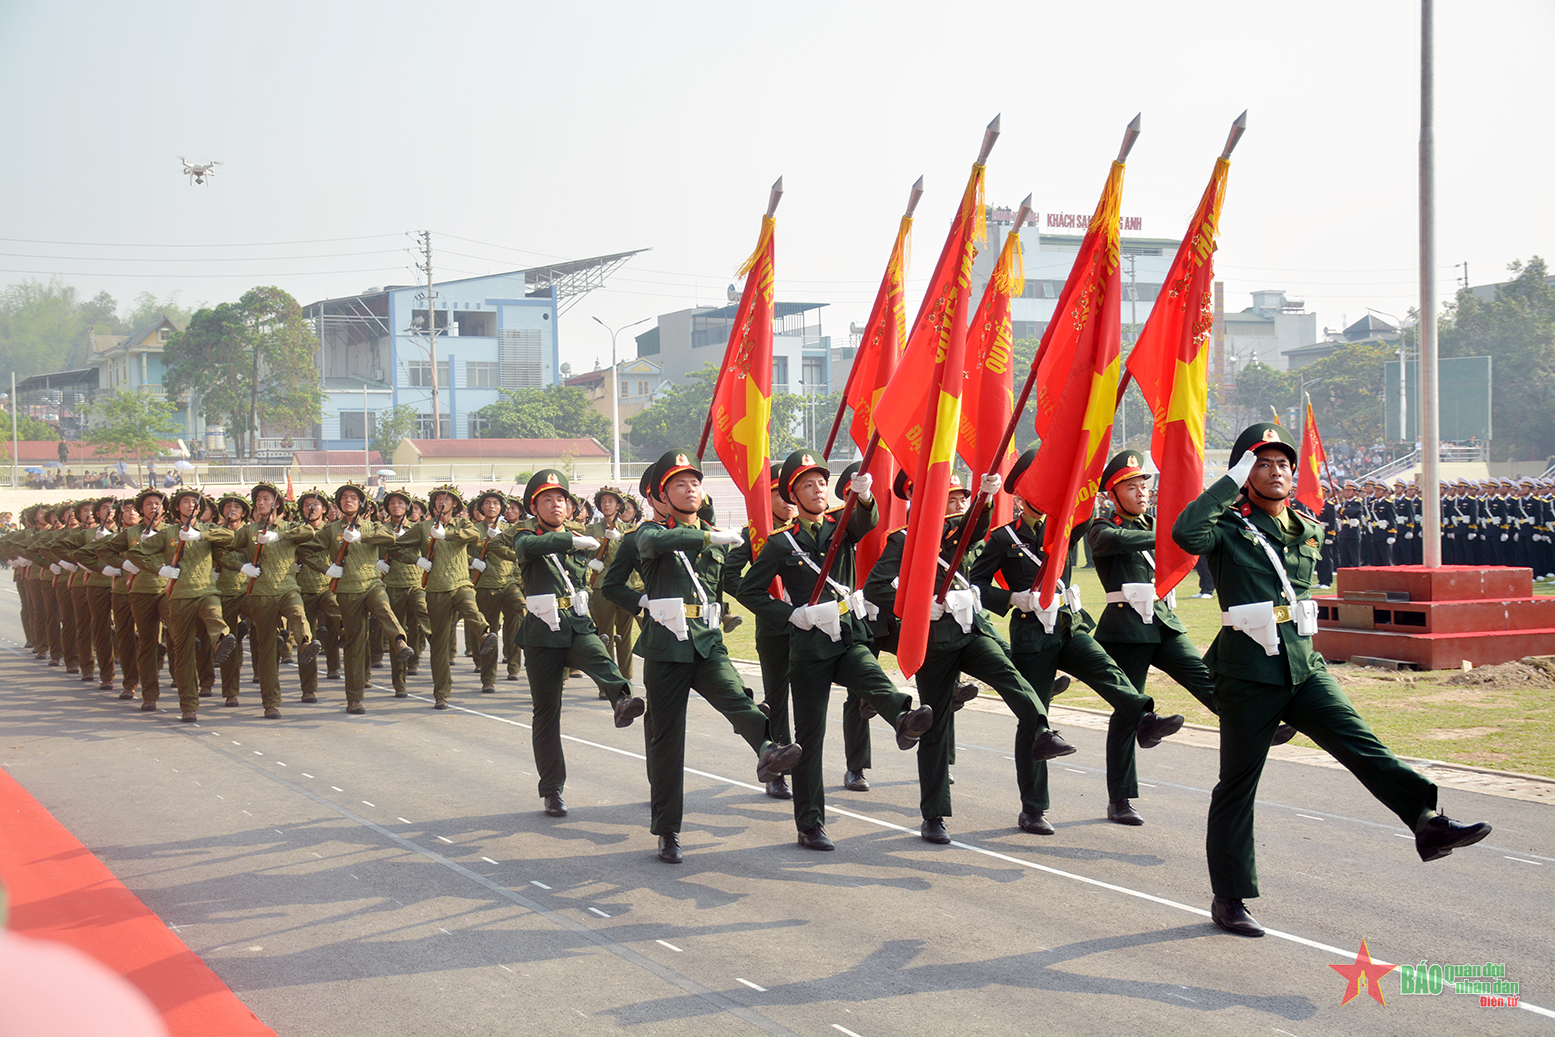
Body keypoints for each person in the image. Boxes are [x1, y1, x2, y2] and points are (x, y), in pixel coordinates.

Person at [1173, 422, 1491, 938]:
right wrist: (1227, 483)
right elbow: (1184, 534)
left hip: (1303, 665)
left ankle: (1427, 823)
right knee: (1237, 787)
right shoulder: (1227, 527)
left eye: (1283, 464)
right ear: (1242, 472)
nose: (1276, 471)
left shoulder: (1307, 528)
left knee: (1361, 744)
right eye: (1262, 462)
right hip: (1247, 673)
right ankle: (1229, 898)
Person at [971, 448, 1186, 835]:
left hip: (1070, 626)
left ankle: (1145, 718)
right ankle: (1033, 808)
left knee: (1107, 669)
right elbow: (977, 584)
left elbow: (1085, 503)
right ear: (1019, 493)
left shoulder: (1064, 528)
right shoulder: (1004, 538)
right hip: (1032, 634)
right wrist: (1010, 598)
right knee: (1034, 719)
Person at [737, 450, 932, 852]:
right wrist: (791, 615)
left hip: (845, 633)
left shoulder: (841, 525)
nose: (818, 489)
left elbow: (866, 521)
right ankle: (810, 824)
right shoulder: (779, 543)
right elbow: (749, 590)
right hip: (808, 647)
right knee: (810, 738)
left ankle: (902, 716)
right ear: (793, 494)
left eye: (822, 482)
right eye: (808, 484)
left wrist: (863, 497)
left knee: (871, 675)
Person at [1087, 450, 1294, 826]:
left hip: (1163, 621)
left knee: (1205, 679)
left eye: (1143, 487)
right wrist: (1165, 535)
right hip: (1125, 629)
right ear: (1112, 495)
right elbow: (1115, 541)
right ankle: (1120, 799)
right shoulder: (1102, 526)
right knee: (1128, 712)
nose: (1141, 493)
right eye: (1131, 488)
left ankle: (1255, 725)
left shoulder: (1155, 522)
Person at [626, 450, 802, 863]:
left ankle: (767, 750)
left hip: (707, 642)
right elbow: (654, 547)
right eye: (680, 484)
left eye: (695, 483)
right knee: (668, 742)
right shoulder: (650, 532)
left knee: (737, 698)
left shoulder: (716, 536)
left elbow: (731, 584)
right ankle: (667, 829)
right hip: (666, 649)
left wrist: (783, 605)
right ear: (663, 496)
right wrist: (642, 601)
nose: (691, 489)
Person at [509, 470, 643, 818]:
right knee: (546, 712)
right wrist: (570, 541)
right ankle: (552, 789)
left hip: (576, 623)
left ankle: (622, 700)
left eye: (561, 499)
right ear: (534, 508)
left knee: (600, 656)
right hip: (541, 631)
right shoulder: (526, 536)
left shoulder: (581, 536)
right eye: (547, 500)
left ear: (569, 506)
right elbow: (532, 548)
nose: (556, 504)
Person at [307, 482, 414, 714]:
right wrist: (327, 569)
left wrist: (361, 537)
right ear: (338, 503)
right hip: (347, 590)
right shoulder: (330, 530)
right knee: (355, 644)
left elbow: (389, 538)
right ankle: (354, 698)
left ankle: (399, 641)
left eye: (353, 498)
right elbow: (306, 552)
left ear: (361, 503)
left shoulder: (373, 526)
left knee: (384, 608)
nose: (348, 501)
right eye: (344, 498)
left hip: (372, 583)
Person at [390, 485, 496, 709]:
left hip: (460, 583)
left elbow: (475, 534)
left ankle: (485, 633)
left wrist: (446, 534)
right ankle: (441, 694)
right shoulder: (422, 528)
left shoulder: (463, 524)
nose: (442, 502)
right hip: (436, 589)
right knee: (439, 644)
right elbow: (396, 548)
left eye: (447, 499)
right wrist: (416, 559)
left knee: (470, 605)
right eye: (438, 499)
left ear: (455, 504)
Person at [231, 482, 323, 718]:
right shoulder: (247, 531)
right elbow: (225, 550)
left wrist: (277, 536)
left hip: (287, 588)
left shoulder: (289, 527)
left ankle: (304, 644)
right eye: (258, 499)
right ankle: (271, 703)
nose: (261, 502)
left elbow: (308, 532)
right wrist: (242, 566)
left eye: (266, 498)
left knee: (298, 613)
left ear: (277, 503)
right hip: (261, 594)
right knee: (267, 649)